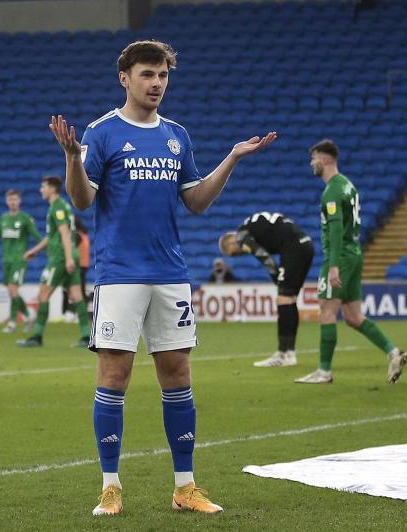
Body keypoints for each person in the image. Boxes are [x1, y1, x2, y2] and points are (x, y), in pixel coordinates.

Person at [50, 39, 276, 517]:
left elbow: (195, 201)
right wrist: (72, 158)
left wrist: (232, 158)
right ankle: (110, 486)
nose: (156, 84)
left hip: (170, 273)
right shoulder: (102, 132)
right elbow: (82, 200)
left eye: (163, 76)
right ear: (125, 78)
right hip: (119, 276)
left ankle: (185, 486)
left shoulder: (177, 135)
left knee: (177, 375)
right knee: (115, 375)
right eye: (148, 75)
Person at [295, 139, 407, 384]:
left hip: (340, 257)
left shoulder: (333, 190)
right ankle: (393, 352)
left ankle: (323, 371)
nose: (312, 163)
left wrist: (333, 265)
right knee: (354, 317)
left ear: (325, 159)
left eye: (314, 158)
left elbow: (335, 229)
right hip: (354, 254)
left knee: (326, 312)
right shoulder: (348, 186)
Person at [219, 211, 314, 367]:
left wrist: (277, 279)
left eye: (235, 253)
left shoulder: (242, 236)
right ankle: (289, 353)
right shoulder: (251, 226)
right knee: (289, 299)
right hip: (306, 245)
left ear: (231, 242)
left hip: (293, 248)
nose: (240, 254)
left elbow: (263, 256)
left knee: (283, 298)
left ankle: (282, 354)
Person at [15, 177, 91, 348]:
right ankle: (87, 336)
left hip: (61, 257)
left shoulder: (57, 208)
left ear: (52, 188)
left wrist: (68, 258)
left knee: (43, 294)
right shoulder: (62, 206)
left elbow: (64, 233)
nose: (41, 190)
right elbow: (53, 236)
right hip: (68, 255)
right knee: (77, 296)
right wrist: (35, 251)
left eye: (43, 187)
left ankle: (37, 336)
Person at [0, 189, 41, 333]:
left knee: (13, 288)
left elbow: (37, 236)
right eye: (10, 199)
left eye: (15, 199)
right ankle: (29, 316)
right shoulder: (3, 218)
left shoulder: (25, 218)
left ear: (19, 201)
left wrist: (43, 250)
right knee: (11, 291)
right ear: (6, 201)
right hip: (6, 260)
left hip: (19, 260)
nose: (13, 202)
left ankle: (13, 322)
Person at [63, 221, 92, 320]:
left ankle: (78, 314)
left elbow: (71, 249)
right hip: (85, 265)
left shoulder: (77, 236)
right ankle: (81, 312)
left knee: (76, 292)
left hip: (79, 265)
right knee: (79, 291)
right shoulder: (84, 236)